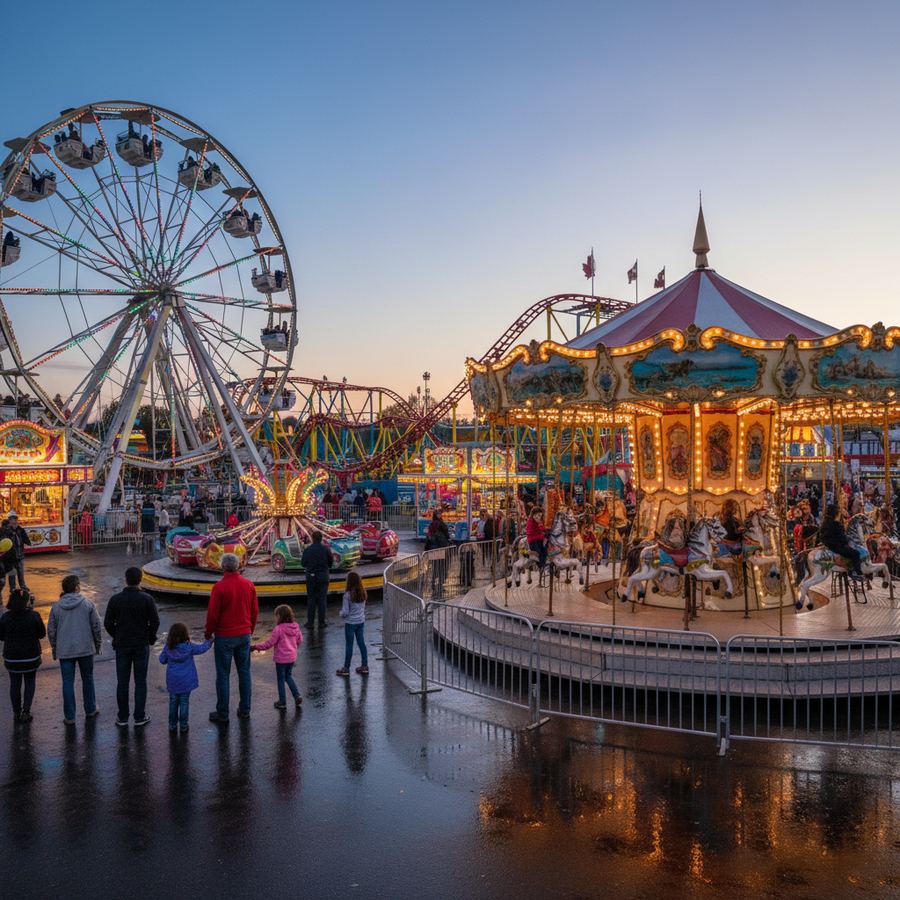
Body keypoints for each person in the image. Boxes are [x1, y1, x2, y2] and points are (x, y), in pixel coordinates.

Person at [205, 553, 258, 723]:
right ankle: (245, 709)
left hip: (224, 636)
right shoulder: (249, 585)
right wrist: (250, 629)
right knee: (244, 673)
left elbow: (213, 615)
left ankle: (223, 712)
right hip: (244, 634)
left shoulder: (219, 587)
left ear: (223, 567)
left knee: (223, 675)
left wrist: (208, 633)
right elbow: (254, 611)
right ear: (238, 566)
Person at [104, 566, 160, 727]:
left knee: (122, 682)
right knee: (140, 681)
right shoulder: (147, 599)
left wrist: (116, 635)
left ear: (126, 579)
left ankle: (122, 717)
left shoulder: (115, 599)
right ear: (140, 579)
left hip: (122, 644)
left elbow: (108, 622)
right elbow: (155, 622)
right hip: (141, 644)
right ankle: (139, 716)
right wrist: (150, 636)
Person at [48, 574, 102, 725]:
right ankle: (90, 709)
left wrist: (54, 648)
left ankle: (70, 717)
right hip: (85, 648)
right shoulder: (88, 604)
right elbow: (96, 626)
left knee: (67, 682)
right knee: (88, 678)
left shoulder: (56, 607)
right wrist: (97, 645)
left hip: (65, 651)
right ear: (77, 587)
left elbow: (51, 631)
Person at [0, 588, 45, 722]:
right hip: (31, 657)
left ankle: (16, 712)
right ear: (27, 601)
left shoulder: (5, 617)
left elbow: (1, 637)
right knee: (30, 682)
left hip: (12, 658)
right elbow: (41, 634)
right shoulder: (34, 615)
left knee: (15, 683)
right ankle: (26, 711)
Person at [159, 623, 212, 732]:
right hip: (186, 681)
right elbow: (202, 648)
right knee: (184, 702)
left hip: (173, 681)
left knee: (173, 703)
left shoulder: (168, 648)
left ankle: (172, 726)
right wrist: (209, 641)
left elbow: (162, 660)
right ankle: (183, 726)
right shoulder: (189, 647)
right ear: (185, 635)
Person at [251, 605, 303, 709]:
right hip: (291, 657)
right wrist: (293, 648)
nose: (275, 618)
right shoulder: (295, 627)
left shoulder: (278, 629)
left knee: (281, 679)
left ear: (280, 616)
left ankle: (282, 701)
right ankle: (297, 695)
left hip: (281, 659)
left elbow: (269, 643)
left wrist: (255, 646)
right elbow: (300, 640)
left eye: (276, 616)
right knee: (288, 676)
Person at [336, 571, 368, 677]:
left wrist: (340, 614)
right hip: (360, 622)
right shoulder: (363, 592)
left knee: (349, 645)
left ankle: (346, 668)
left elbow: (345, 612)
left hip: (350, 623)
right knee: (361, 644)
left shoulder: (347, 595)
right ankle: (365, 666)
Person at [819, 504, 863, 579]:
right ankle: (856, 572)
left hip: (828, 545)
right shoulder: (836, 524)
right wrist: (846, 541)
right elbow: (842, 537)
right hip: (837, 546)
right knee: (856, 553)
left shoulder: (824, 522)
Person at [301, 531, 332, 628]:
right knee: (322, 600)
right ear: (321, 538)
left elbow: (303, 563)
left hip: (311, 577)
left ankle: (310, 623)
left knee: (311, 599)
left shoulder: (308, 550)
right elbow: (330, 562)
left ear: (312, 538)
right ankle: (321, 622)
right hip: (323, 577)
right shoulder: (326, 549)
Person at [6, 512, 31, 594]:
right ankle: (12, 588)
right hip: (10, 557)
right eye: (12, 519)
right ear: (9, 520)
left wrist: (27, 541)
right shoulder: (5, 530)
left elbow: (26, 539)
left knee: (20, 572)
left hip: (20, 555)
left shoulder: (20, 529)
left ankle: (22, 586)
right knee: (12, 573)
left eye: (15, 519)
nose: (15, 521)